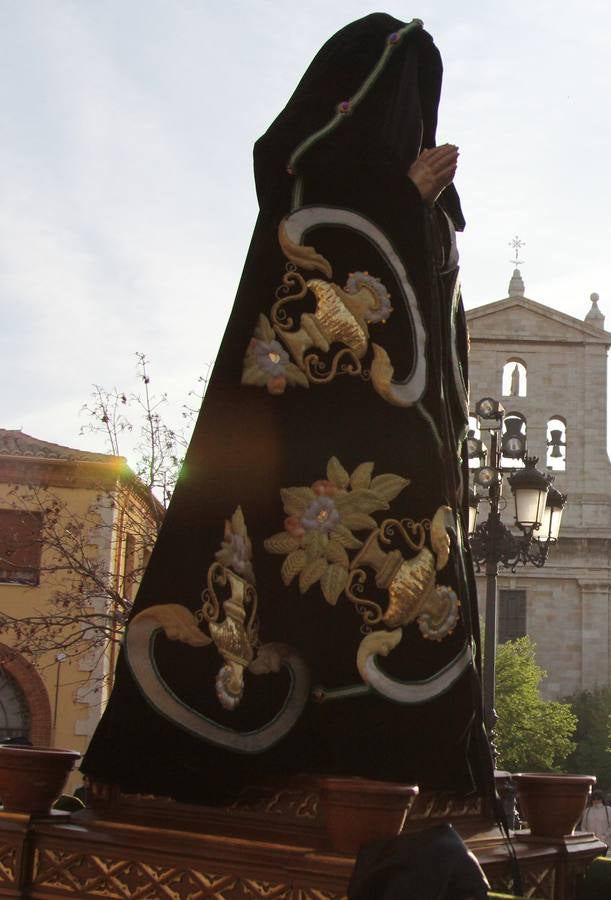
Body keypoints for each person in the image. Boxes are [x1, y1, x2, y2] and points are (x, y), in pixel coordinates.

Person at [79, 13, 487, 806]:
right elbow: (321, 336)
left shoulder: (417, 212)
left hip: (397, 466)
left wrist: (421, 219)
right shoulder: (315, 204)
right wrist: (400, 209)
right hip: (303, 464)